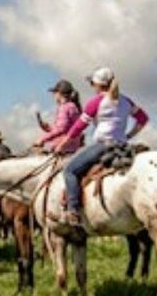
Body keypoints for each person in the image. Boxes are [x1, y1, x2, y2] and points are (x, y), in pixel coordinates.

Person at [58, 68, 149, 228]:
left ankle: (72, 210)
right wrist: (128, 135)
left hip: (103, 146)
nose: (92, 86)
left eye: (92, 83)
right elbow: (143, 119)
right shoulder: (126, 101)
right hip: (122, 146)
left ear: (98, 84)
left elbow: (79, 126)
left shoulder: (96, 102)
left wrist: (63, 143)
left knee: (69, 171)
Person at [33, 80, 85, 155]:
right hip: (73, 147)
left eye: (54, 93)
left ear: (59, 93)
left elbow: (61, 129)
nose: (53, 96)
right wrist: (49, 129)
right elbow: (66, 129)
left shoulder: (64, 107)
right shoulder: (73, 106)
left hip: (63, 148)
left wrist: (42, 139)